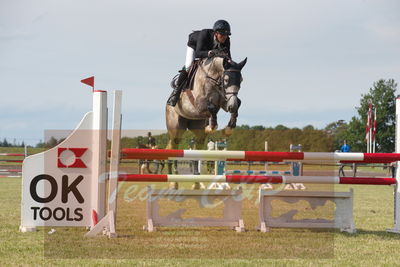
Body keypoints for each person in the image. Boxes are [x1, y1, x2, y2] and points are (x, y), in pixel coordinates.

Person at [167, 19, 232, 106]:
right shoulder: (204, 34)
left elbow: (228, 57)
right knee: (188, 65)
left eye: (226, 35)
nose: (224, 37)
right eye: (222, 35)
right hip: (194, 46)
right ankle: (175, 93)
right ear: (216, 33)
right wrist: (209, 53)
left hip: (208, 50)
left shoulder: (227, 40)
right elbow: (198, 53)